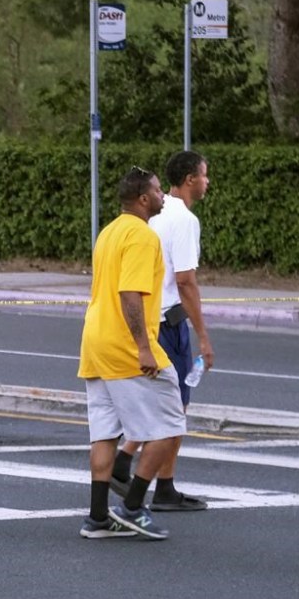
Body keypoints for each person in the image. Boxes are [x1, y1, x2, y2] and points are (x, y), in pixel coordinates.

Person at [77, 167, 186, 541]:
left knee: (104, 434)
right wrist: (144, 347)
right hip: (126, 346)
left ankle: (97, 518)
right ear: (143, 199)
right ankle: (133, 508)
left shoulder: (110, 231)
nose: (163, 196)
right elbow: (130, 293)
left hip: (95, 342)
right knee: (171, 425)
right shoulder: (142, 236)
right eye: (158, 190)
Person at [110, 152, 213, 511]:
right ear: (188, 180)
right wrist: (203, 337)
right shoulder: (183, 219)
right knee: (174, 410)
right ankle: (159, 487)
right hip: (170, 321)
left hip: (151, 318)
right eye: (203, 175)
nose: (207, 182)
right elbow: (186, 281)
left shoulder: (153, 212)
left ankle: (125, 461)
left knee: (157, 403)